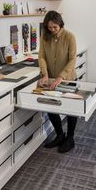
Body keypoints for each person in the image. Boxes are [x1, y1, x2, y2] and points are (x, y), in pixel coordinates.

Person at [38, 10, 77, 153]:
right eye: (49, 27)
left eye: (55, 27)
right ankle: (60, 135)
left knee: (71, 109)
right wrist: (45, 74)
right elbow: (41, 56)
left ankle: (70, 138)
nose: (52, 30)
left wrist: (61, 77)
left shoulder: (69, 37)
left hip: (68, 79)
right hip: (51, 79)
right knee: (51, 107)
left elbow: (72, 59)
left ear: (60, 24)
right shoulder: (45, 36)